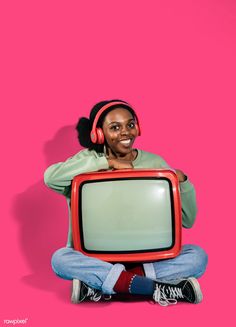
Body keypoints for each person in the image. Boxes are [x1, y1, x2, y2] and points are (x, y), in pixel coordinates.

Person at [44, 99, 208, 306]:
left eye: (130, 125)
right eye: (115, 127)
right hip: (96, 259)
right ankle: (153, 287)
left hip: (150, 258)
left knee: (198, 256)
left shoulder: (155, 162)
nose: (125, 132)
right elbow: (51, 178)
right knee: (60, 260)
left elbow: (188, 220)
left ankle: (104, 284)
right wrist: (108, 163)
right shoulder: (86, 161)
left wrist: (183, 182)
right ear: (98, 134)